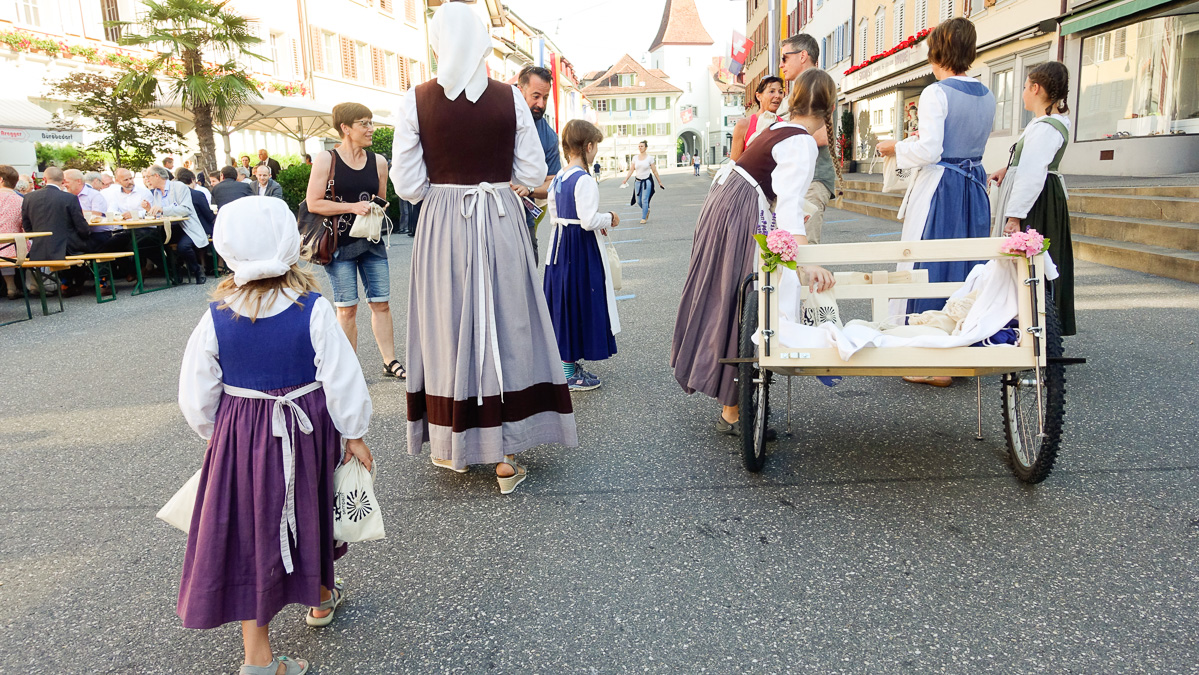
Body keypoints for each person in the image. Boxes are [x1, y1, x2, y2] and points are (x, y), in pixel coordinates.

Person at [177, 196, 373, 675]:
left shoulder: (217, 316)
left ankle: (260, 654)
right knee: (310, 506)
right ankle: (319, 597)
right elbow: (342, 378)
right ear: (290, 244)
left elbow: (196, 393)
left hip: (243, 436)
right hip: (305, 428)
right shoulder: (313, 308)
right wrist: (355, 433)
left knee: (251, 531)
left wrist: (216, 432)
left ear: (227, 250)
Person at [390, 1, 577, 493]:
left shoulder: (414, 100)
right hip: (497, 214)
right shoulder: (511, 99)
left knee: (448, 325)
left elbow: (408, 185)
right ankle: (505, 452)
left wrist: (445, 190)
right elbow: (533, 173)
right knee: (506, 321)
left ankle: (456, 446)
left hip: (443, 223)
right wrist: (494, 182)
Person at [671, 69, 837, 436]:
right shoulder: (802, 141)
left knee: (730, 294)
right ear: (829, 107)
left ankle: (730, 401)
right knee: (743, 296)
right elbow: (791, 208)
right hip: (742, 207)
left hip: (729, 200)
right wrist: (808, 265)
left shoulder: (779, 128)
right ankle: (731, 408)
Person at [876, 18, 995, 387]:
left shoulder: (936, 92)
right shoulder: (986, 94)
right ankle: (960, 349)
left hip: (942, 186)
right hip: (973, 186)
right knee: (966, 265)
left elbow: (930, 150)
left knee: (928, 261)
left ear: (937, 50)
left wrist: (895, 147)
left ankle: (930, 358)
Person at [305, 103, 404, 382]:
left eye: (370, 122)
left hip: (370, 240)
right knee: (347, 308)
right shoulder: (326, 159)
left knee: (381, 303)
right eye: (364, 123)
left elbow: (382, 201)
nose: (370, 128)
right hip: (338, 243)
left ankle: (390, 361)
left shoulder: (379, 162)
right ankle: (349, 367)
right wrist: (352, 207)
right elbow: (313, 203)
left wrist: (375, 207)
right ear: (346, 128)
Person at [988, 61, 1075, 336]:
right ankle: (1027, 324)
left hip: (1038, 202)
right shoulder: (1044, 124)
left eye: (1025, 86)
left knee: (1032, 262)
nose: (1024, 92)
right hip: (1040, 195)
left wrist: (1015, 216)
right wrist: (1008, 168)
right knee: (1031, 263)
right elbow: (1031, 163)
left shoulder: (1046, 127)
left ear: (1036, 88)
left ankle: (1037, 329)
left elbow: (1034, 172)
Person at [544, 120, 621, 391]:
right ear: (588, 146)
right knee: (580, 303)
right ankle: (568, 372)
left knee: (564, 303)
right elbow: (588, 220)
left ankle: (567, 366)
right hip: (580, 248)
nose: (595, 151)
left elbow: (555, 216)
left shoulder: (559, 179)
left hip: (560, 246)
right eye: (595, 146)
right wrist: (609, 218)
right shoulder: (584, 180)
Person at [779, 33, 837, 244]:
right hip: (799, 177)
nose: (781, 64)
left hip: (813, 179)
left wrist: (779, 135)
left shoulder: (819, 85)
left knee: (803, 252)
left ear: (802, 55)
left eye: (785, 58)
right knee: (789, 249)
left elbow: (822, 137)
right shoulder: (797, 91)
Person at [512, 65, 561, 265]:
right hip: (490, 215)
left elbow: (553, 185)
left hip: (525, 218)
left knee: (530, 268)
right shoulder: (498, 115)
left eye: (546, 97)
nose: (541, 104)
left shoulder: (549, 137)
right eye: (535, 96)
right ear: (520, 90)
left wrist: (529, 190)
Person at [22, 166, 93, 295]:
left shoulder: (28, 198)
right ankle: (88, 282)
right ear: (62, 180)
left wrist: (38, 239)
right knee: (96, 245)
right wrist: (86, 234)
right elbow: (81, 226)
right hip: (67, 247)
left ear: (44, 179)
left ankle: (66, 282)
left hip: (39, 248)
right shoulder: (69, 198)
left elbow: (27, 226)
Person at [142, 164, 208, 284]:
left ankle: (197, 269)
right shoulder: (156, 192)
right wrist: (149, 209)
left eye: (148, 177)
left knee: (183, 247)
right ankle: (173, 270)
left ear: (157, 176)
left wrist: (162, 209)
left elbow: (186, 209)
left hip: (186, 226)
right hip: (168, 228)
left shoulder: (179, 186)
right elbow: (160, 214)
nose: (147, 180)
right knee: (149, 243)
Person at [730, 76, 785, 161]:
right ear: (759, 96)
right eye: (772, 91)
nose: (777, 96)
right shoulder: (744, 125)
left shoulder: (784, 126)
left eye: (780, 92)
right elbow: (734, 164)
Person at [619, 140, 664, 224]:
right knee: (638, 200)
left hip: (647, 182)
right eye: (639, 146)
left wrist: (659, 182)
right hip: (637, 182)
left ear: (646, 148)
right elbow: (631, 170)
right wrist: (626, 179)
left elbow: (655, 171)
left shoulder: (650, 158)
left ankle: (643, 218)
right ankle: (646, 210)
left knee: (644, 199)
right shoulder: (635, 158)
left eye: (642, 146)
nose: (640, 147)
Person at [0, 165, 27, 299]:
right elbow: (26, 225)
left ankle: (10, 286)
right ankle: (21, 285)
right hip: (17, 247)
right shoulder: (22, 200)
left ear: (1, 180)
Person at [178, 168, 216, 236]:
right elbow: (209, 215)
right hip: (201, 229)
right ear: (192, 180)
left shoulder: (177, 195)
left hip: (183, 230)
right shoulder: (198, 194)